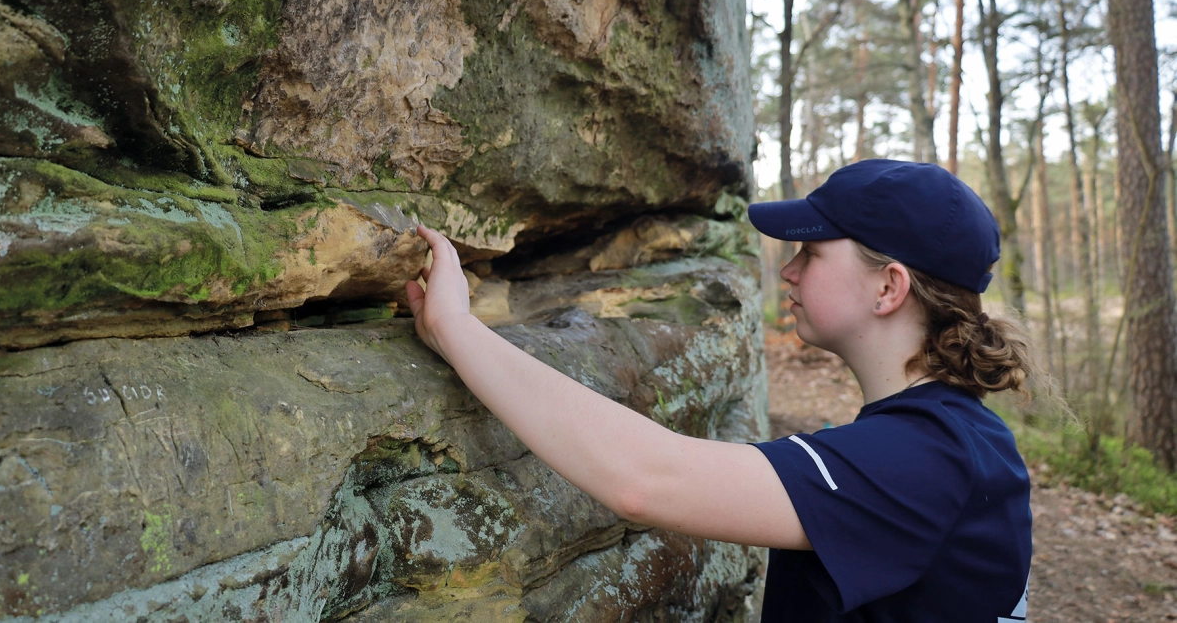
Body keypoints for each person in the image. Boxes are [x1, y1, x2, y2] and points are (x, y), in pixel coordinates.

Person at [405, 159, 1034, 621]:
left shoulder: (924, 458)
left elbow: (645, 481)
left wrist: (459, 329)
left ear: (888, 287)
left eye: (811, 253)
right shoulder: (959, 439)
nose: (788, 269)